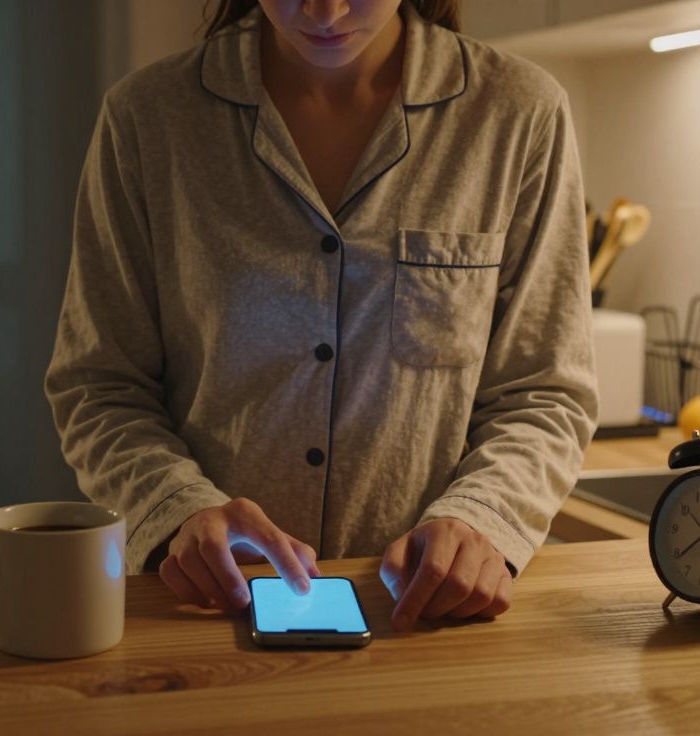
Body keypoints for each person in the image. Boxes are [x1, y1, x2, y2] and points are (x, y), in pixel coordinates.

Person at [45, 0, 597, 632]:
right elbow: (99, 385)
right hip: (200, 615)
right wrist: (177, 510)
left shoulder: (518, 113)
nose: (325, 11)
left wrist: (482, 518)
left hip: (420, 621)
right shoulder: (147, 119)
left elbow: (544, 391)